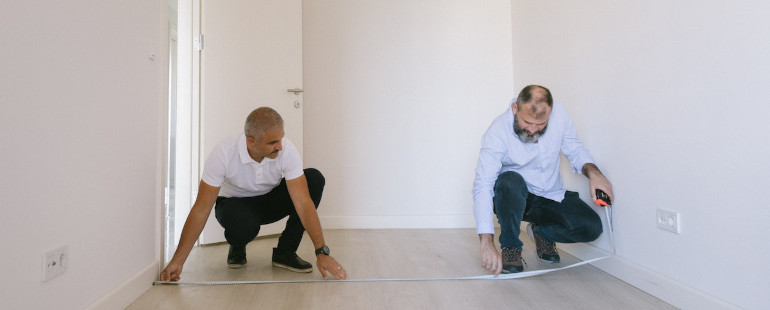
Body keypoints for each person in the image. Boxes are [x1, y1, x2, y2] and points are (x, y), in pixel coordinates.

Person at [160, 107, 347, 282]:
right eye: (273, 142)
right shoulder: (223, 153)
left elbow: (303, 202)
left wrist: (321, 251)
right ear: (251, 141)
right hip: (234, 204)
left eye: (281, 139)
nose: (280, 146)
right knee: (243, 224)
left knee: (313, 178)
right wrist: (178, 260)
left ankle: (285, 252)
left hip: (269, 200)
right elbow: (201, 208)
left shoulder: (286, 149)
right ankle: (237, 244)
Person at [472, 85, 614, 275]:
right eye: (527, 122)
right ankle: (510, 247)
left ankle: (541, 233)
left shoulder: (559, 115)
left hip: (550, 195)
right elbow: (483, 185)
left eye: (540, 125)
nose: (532, 130)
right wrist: (486, 243)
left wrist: (595, 174)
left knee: (591, 227)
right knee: (509, 179)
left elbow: (574, 149)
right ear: (515, 108)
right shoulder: (497, 132)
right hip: (513, 198)